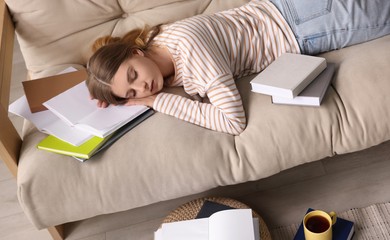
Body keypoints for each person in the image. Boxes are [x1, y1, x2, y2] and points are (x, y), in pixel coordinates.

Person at [86, 0, 390, 136]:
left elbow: (233, 121)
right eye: (131, 92)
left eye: (133, 76)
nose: (142, 88)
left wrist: (157, 101)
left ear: (137, 52)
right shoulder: (161, 40)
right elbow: (120, 78)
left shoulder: (192, 52)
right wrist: (111, 95)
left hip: (305, 26)